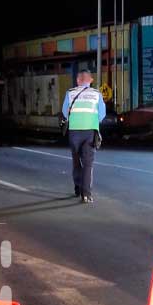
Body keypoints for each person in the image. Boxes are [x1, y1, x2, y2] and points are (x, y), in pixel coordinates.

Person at [61, 69, 106, 204]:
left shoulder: (70, 93)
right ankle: (86, 194)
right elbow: (102, 115)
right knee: (88, 164)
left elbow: (65, 113)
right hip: (90, 132)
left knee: (76, 162)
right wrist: (90, 120)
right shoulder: (96, 94)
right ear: (90, 81)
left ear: (77, 80)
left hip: (74, 132)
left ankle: (77, 187)